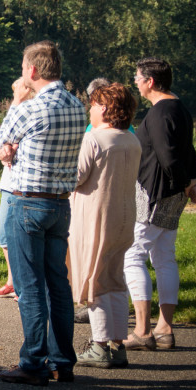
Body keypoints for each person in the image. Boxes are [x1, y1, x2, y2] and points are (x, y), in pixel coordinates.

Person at [0, 41, 86, 386]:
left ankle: (33, 361)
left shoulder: (29, 108)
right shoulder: (78, 105)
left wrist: (16, 102)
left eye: (23, 68)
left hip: (27, 200)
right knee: (58, 285)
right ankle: (63, 360)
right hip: (60, 203)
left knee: (30, 286)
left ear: (32, 70)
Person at [124, 58, 196, 351]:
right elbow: (190, 151)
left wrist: (186, 181)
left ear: (151, 82)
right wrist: (193, 181)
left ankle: (143, 330)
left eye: (137, 77)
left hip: (153, 194)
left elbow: (168, 156)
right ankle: (164, 329)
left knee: (133, 255)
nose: (135, 82)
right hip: (173, 193)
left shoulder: (159, 113)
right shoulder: (180, 108)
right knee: (164, 256)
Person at [69, 83, 141, 368]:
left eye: (95, 104)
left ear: (107, 108)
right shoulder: (131, 140)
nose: (91, 108)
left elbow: (76, 176)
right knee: (114, 277)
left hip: (95, 215)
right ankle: (117, 343)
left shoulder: (95, 139)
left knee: (93, 278)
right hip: (123, 216)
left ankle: (99, 344)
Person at [0, 78, 33, 299]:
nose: (14, 94)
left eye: (17, 90)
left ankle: (21, 284)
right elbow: (1, 142)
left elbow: (8, 140)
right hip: (8, 180)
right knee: (4, 232)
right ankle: (14, 282)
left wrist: (9, 148)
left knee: (16, 233)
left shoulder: (28, 111)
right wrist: (5, 149)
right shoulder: (19, 112)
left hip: (21, 183)